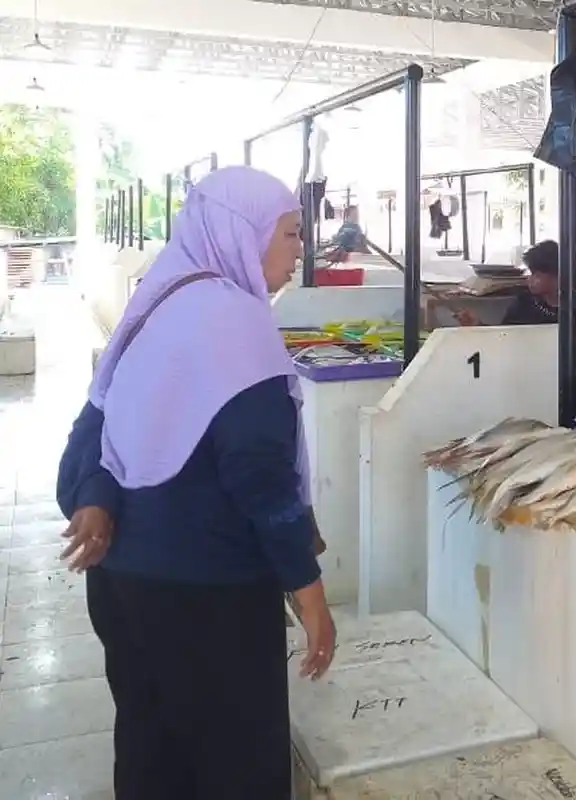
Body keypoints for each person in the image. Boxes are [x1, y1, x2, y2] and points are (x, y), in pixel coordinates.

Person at [56, 166, 336, 799]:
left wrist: (94, 495)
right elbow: (261, 481)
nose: (300, 251)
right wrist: (310, 593)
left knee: (150, 745)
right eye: (290, 234)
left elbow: (99, 416)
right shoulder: (235, 324)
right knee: (235, 758)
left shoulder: (160, 299)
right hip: (208, 595)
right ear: (242, 233)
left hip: (122, 582)